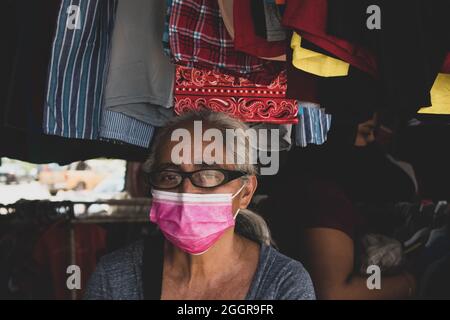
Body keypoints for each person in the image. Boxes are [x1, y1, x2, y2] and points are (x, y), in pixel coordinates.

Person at [85, 110, 315, 300]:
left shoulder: (284, 283)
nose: (186, 192)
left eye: (208, 175)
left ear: (245, 192)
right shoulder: (115, 276)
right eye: (169, 176)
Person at [262, 114, 419, 299]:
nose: (371, 141)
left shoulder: (299, 184)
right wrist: (409, 282)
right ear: (336, 132)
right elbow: (334, 293)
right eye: (365, 132)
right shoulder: (321, 197)